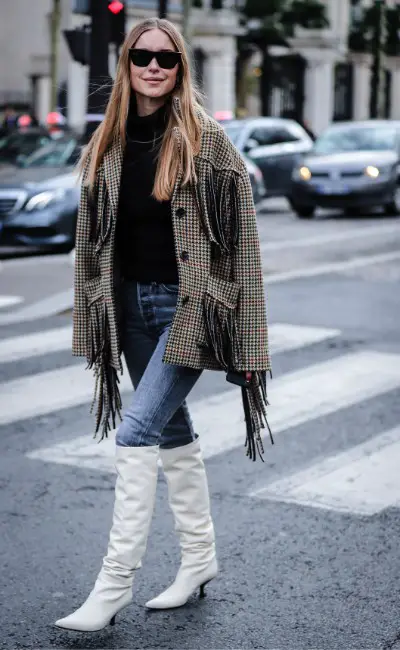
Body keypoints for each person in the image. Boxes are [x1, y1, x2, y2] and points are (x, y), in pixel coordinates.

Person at [55, 17, 271, 633]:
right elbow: (94, 246)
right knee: (173, 434)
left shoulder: (207, 141)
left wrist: (252, 343)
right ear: (126, 65)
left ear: (181, 70)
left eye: (167, 59)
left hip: (189, 311)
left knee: (136, 432)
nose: (154, 66)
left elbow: (243, 247)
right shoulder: (108, 143)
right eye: (142, 56)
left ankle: (114, 584)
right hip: (129, 311)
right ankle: (200, 560)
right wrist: (97, 311)